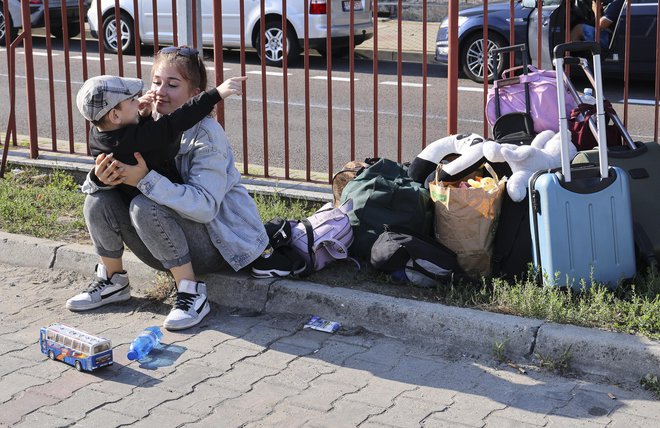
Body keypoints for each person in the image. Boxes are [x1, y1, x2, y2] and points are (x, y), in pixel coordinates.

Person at [66, 46, 269, 331]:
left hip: (216, 243)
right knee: (98, 199)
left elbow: (205, 208)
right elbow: (112, 149)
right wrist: (102, 178)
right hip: (167, 241)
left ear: (194, 94)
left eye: (173, 85)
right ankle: (113, 281)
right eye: (157, 82)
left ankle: (191, 293)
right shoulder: (144, 121)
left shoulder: (207, 135)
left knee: (145, 204)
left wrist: (143, 180)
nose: (160, 91)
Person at [76, 71, 246, 199]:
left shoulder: (98, 135)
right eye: (132, 100)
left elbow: (138, 141)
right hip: (160, 206)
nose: (139, 101)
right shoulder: (135, 140)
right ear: (115, 115)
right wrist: (217, 94)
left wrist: (143, 116)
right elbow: (177, 121)